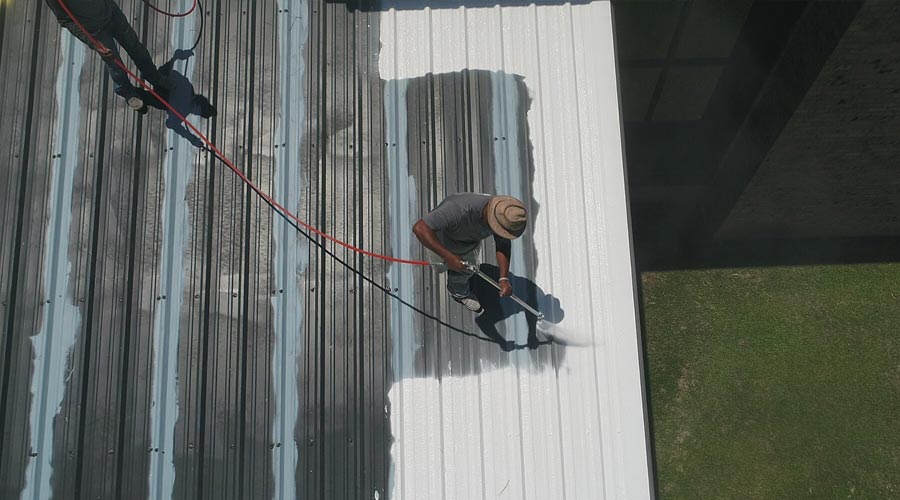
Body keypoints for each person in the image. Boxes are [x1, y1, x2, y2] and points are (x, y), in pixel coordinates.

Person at [44, 0, 171, 111]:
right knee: (116, 65)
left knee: (135, 47)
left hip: (112, 12)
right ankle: (127, 92)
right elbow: (65, 21)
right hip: (96, 33)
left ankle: (155, 77)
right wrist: (93, 44)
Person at [413, 193, 528, 315]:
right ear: (491, 219)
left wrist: (504, 278)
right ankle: (453, 276)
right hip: (441, 242)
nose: (500, 234)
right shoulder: (457, 209)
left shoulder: (505, 214)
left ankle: (458, 292)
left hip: (468, 244)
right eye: (499, 230)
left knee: (466, 270)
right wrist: (448, 257)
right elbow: (420, 228)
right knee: (446, 265)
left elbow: (503, 244)